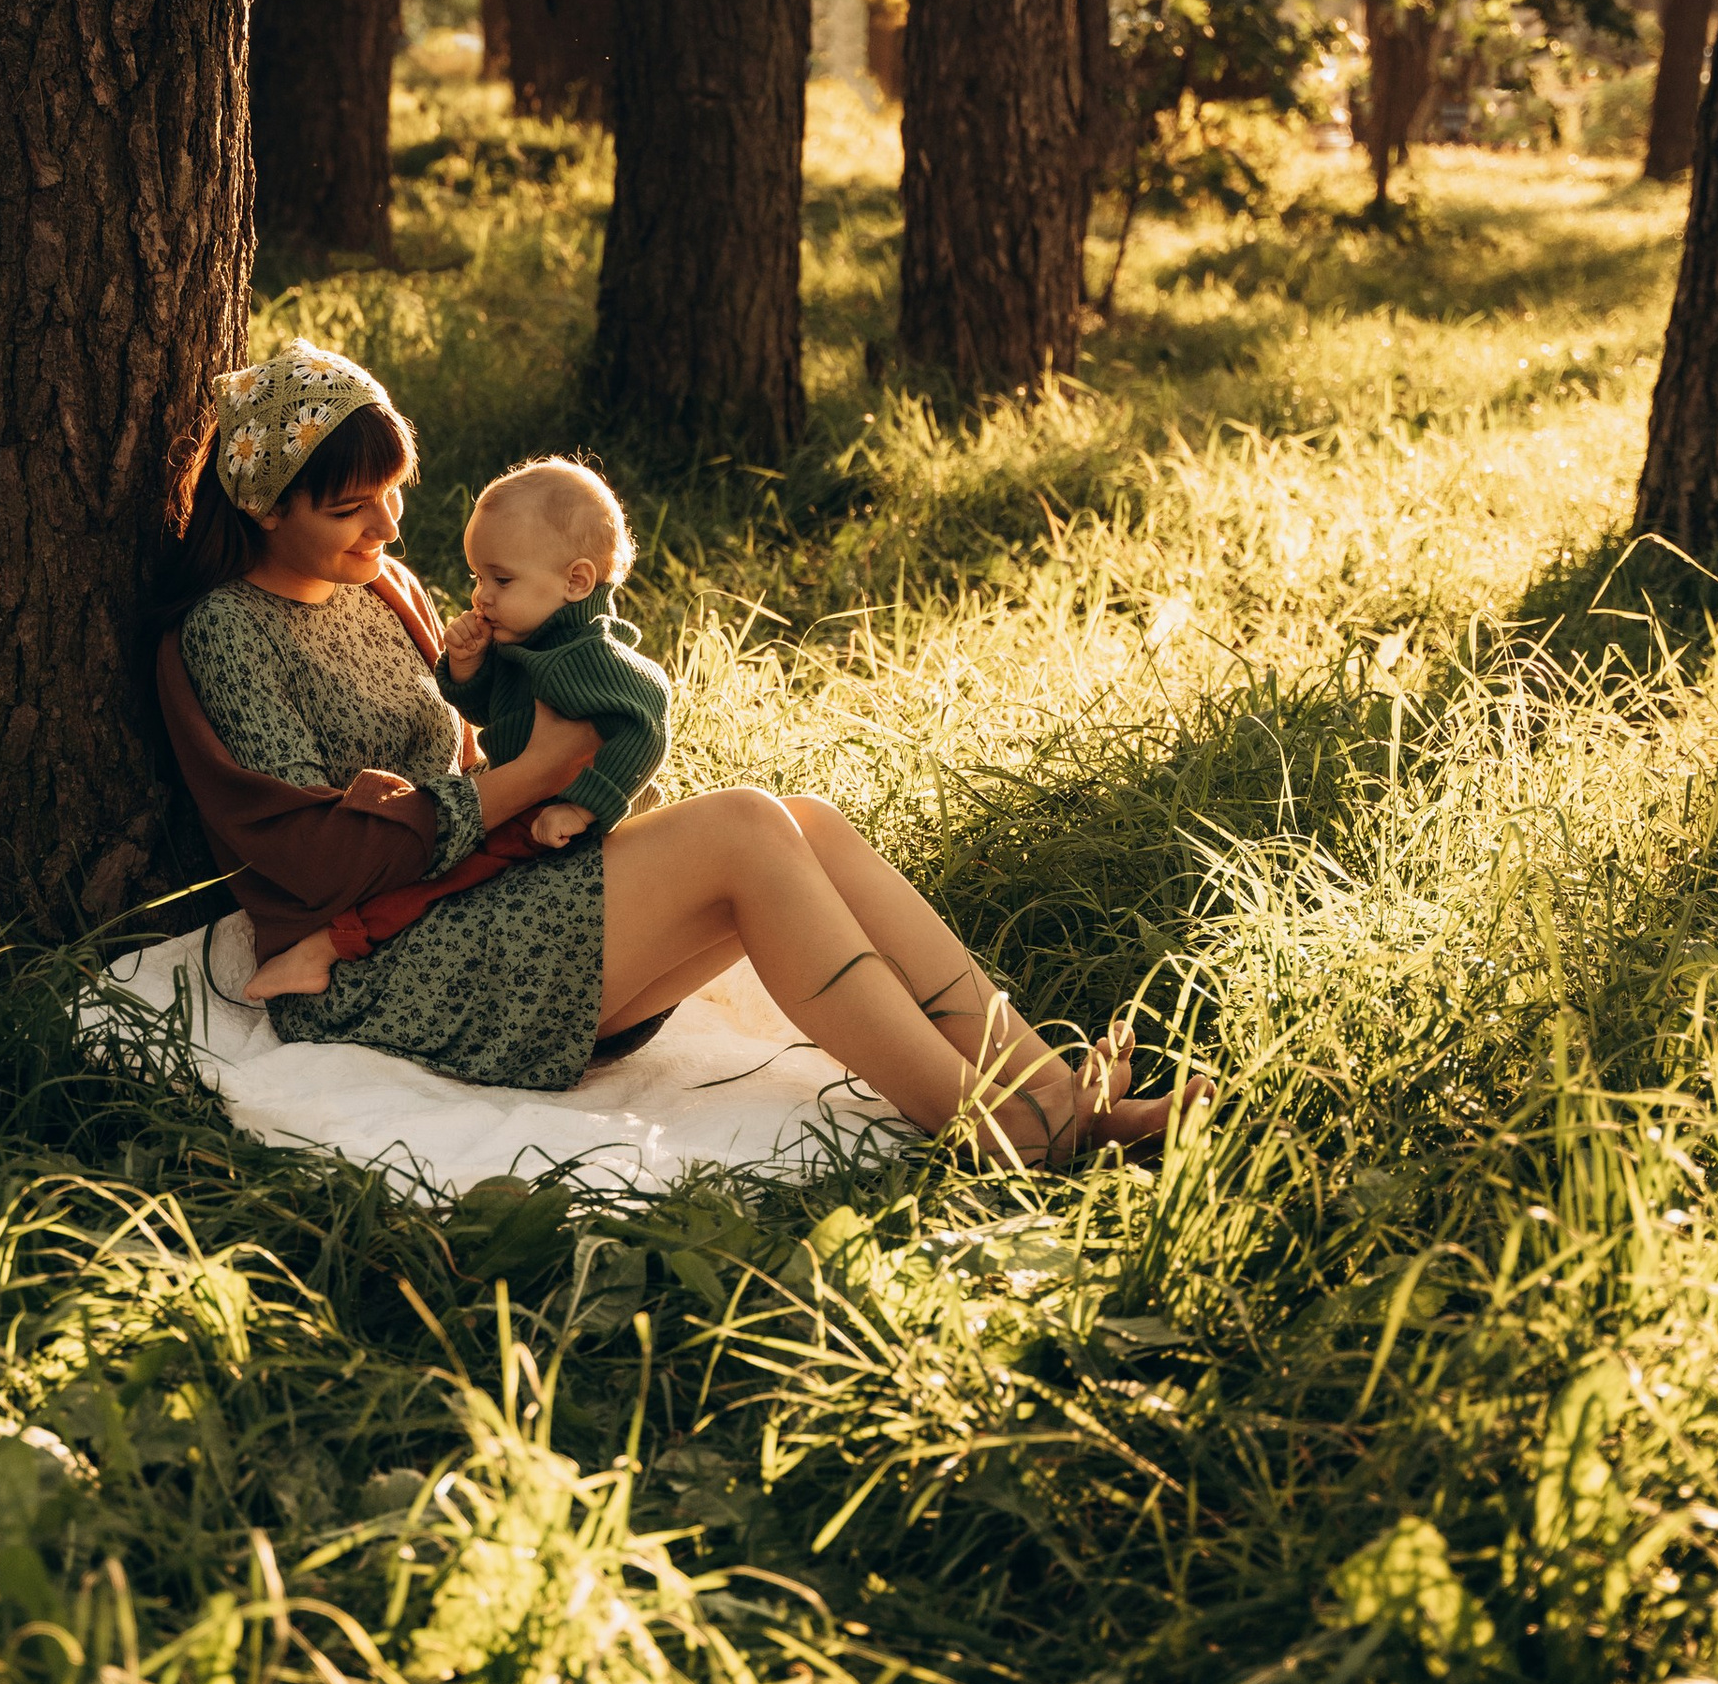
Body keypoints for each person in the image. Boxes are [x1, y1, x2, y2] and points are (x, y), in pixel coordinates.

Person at [154, 338, 1179, 1161]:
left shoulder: (383, 588)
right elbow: (313, 863)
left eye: (393, 492)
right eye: (349, 506)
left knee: (802, 824)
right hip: (385, 970)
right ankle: (992, 1124)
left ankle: (1044, 1085)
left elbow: (472, 741)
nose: (386, 523)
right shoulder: (225, 634)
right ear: (264, 504)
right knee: (741, 829)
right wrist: (534, 775)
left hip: (477, 896)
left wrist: (548, 750)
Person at [242, 453, 667, 1004]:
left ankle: (326, 948)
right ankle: (326, 947)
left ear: (576, 581)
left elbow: (646, 730)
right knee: (443, 881)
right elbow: (495, 714)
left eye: (501, 579)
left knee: (444, 883)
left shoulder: (594, 656)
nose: (481, 596)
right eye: (478, 577)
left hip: (554, 816)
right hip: (520, 802)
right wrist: (467, 670)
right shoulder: (530, 643)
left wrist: (582, 807)